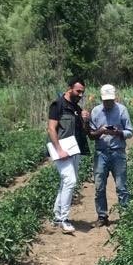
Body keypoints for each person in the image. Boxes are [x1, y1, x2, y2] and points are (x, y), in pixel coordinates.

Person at [47, 78, 91, 233]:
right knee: (70, 181)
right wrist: (59, 149)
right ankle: (64, 219)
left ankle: (57, 216)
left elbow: (84, 131)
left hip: (74, 150)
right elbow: (51, 129)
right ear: (69, 88)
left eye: (82, 92)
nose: (80, 94)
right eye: (78, 91)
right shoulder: (57, 105)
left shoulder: (77, 108)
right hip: (61, 150)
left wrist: (85, 119)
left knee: (65, 183)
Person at [89, 84, 133, 226]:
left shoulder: (122, 110)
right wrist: (101, 131)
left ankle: (125, 215)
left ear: (114, 97)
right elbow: (91, 135)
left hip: (117, 153)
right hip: (101, 153)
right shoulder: (95, 111)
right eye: (105, 100)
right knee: (99, 186)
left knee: (121, 186)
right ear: (101, 98)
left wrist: (118, 132)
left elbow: (130, 131)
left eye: (110, 100)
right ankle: (102, 216)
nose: (108, 103)